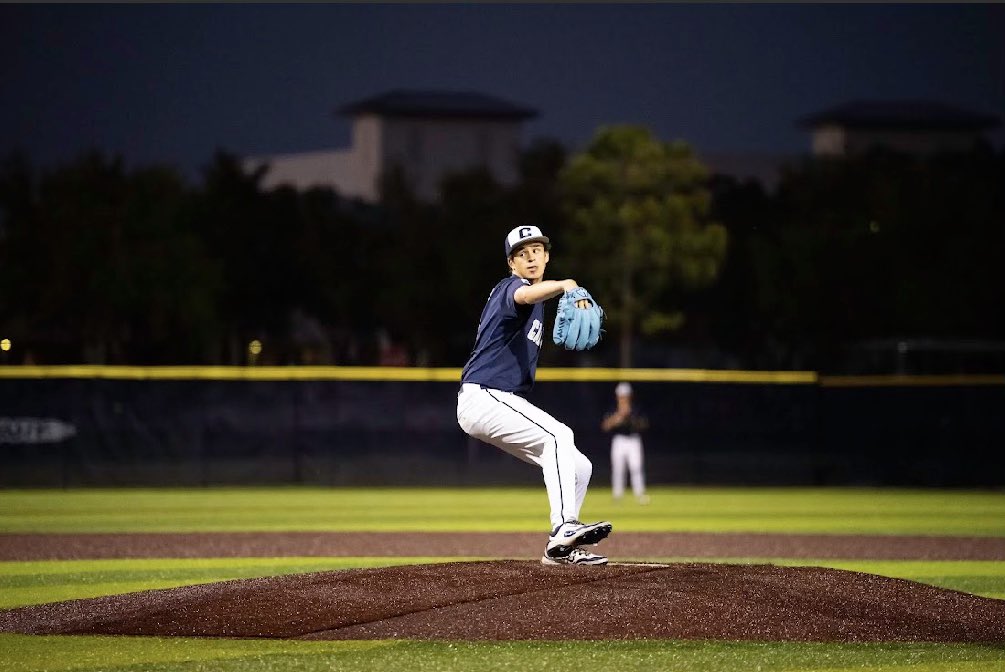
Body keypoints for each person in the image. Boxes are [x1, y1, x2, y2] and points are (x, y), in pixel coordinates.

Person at [456, 225, 613, 566]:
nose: (531, 258)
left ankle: (561, 551)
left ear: (546, 257)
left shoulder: (536, 300)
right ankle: (564, 527)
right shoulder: (511, 288)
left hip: (501, 399)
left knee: (578, 466)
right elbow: (524, 296)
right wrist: (564, 284)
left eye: (537, 251)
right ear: (511, 263)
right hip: (484, 395)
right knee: (560, 434)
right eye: (522, 254)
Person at [602, 382, 650, 504]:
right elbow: (605, 426)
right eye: (621, 395)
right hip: (619, 440)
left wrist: (630, 418)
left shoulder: (636, 409)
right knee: (618, 468)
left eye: (625, 395)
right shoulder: (613, 409)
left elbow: (644, 424)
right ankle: (617, 495)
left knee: (636, 467)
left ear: (630, 396)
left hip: (633, 439)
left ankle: (640, 494)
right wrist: (617, 418)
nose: (623, 397)